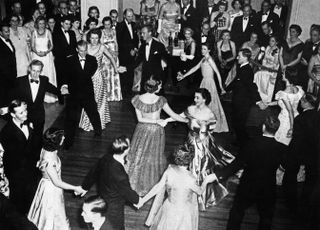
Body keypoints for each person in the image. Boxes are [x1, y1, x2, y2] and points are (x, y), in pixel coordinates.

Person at [127, 76, 188, 196]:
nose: (160, 87)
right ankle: (151, 184)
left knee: (139, 154)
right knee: (153, 156)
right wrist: (186, 121)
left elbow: (140, 119)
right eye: (159, 85)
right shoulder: (160, 100)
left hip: (141, 130)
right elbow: (174, 115)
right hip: (156, 131)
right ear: (155, 88)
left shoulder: (137, 99)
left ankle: (134, 182)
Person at [224, 115, 287, 230]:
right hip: (268, 187)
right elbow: (285, 166)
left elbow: (237, 164)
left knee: (237, 211)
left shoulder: (251, 144)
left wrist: (220, 175)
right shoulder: (281, 148)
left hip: (248, 184)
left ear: (263, 127)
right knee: (266, 217)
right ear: (276, 129)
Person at [136, 144, 218, 230]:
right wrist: (206, 180)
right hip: (183, 212)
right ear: (191, 159)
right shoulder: (190, 179)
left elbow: (157, 187)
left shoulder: (169, 170)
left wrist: (142, 201)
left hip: (169, 208)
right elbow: (200, 191)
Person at [78, 136, 141, 230]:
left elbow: (93, 172)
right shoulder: (120, 175)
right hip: (114, 207)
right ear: (126, 151)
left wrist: (84, 187)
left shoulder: (106, 157)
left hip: (103, 198)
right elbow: (127, 192)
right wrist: (137, 200)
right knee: (117, 226)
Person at [27, 128, 84, 230]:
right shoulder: (50, 161)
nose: (64, 138)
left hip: (45, 184)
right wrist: (75, 188)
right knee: (52, 213)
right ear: (56, 141)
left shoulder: (45, 149)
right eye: (62, 138)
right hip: (51, 189)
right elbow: (57, 182)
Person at [10, 60, 60, 162]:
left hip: (38, 115)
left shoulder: (44, 80)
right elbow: (12, 96)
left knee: (37, 138)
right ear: (29, 69)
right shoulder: (20, 81)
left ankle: (36, 159)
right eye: (33, 70)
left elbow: (54, 89)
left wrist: (62, 92)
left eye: (38, 71)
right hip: (24, 115)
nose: (35, 74)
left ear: (41, 71)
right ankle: (24, 159)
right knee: (24, 137)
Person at [282, 94, 320, 213]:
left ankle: (290, 203)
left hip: (298, 151)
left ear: (307, 103)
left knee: (290, 176)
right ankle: (306, 201)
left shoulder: (300, 118)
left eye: (302, 100)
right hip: (314, 151)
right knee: (311, 178)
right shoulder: (318, 116)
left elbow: (296, 140)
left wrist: (289, 155)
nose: (300, 102)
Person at [178, 44, 228, 132]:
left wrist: (221, 87)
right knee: (200, 102)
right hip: (204, 81)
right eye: (202, 49)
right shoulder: (203, 59)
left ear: (209, 50)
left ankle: (212, 125)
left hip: (209, 83)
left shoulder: (210, 59)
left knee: (211, 103)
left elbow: (217, 73)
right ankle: (200, 123)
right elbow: (195, 68)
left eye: (205, 49)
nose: (202, 50)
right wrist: (184, 76)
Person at [61, 40, 102, 149]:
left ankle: (98, 132)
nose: (83, 53)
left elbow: (87, 74)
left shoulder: (92, 60)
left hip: (87, 92)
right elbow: (65, 75)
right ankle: (68, 143)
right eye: (81, 51)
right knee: (71, 119)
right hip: (73, 94)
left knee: (93, 113)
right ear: (77, 49)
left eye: (85, 51)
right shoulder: (69, 60)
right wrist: (65, 86)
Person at [0, 100, 39, 214]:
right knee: (18, 200)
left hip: (30, 169)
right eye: (21, 113)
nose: (25, 114)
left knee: (30, 195)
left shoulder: (27, 122)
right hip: (17, 172)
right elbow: (11, 158)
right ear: (12, 114)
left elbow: (33, 143)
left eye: (25, 110)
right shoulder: (7, 132)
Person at [79, 29, 118, 131]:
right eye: (92, 38)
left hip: (98, 77)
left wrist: (116, 68)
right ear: (89, 38)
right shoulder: (86, 47)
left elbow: (111, 57)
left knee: (97, 99)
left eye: (96, 38)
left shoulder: (102, 47)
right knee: (87, 100)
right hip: (87, 77)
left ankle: (98, 122)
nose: (94, 40)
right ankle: (87, 122)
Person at [227, 48, 265, 146]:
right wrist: (226, 89)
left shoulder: (247, 70)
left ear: (245, 57)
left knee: (239, 123)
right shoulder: (242, 67)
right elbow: (236, 80)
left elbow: (251, 87)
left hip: (243, 102)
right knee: (237, 121)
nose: (237, 57)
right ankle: (241, 141)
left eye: (239, 56)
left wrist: (258, 101)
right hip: (238, 99)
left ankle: (243, 143)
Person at [125, 25, 168, 92]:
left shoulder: (159, 46)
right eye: (141, 33)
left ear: (150, 33)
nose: (142, 35)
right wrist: (126, 68)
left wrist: (163, 78)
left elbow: (168, 59)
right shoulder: (142, 46)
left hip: (156, 77)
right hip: (145, 78)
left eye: (143, 33)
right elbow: (137, 62)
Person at [269, 73, 304, 146]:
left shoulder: (284, 93)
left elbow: (290, 110)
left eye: (283, 73)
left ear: (287, 77)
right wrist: (268, 104)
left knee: (279, 142)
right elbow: (285, 102)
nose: (282, 75)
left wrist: (291, 127)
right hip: (296, 116)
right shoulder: (298, 88)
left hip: (285, 119)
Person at [31, 16, 57, 103]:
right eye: (40, 23)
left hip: (46, 56)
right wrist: (37, 52)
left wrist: (46, 52)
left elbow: (52, 45)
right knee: (38, 75)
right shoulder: (34, 33)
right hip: (37, 56)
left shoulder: (48, 32)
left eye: (43, 23)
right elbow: (32, 46)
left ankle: (49, 97)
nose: (41, 25)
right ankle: (38, 96)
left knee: (47, 75)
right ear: (37, 24)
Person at [52, 15, 77, 104]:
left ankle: (71, 99)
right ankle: (61, 100)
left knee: (71, 79)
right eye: (66, 24)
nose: (68, 26)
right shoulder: (55, 34)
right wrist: (66, 56)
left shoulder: (72, 33)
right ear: (62, 23)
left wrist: (72, 56)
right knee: (61, 79)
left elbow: (74, 47)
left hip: (71, 60)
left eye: (69, 24)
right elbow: (56, 49)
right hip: (61, 61)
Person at [116, 8, 139, 97]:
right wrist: (130, 50)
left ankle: (129, 91)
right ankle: (123, 92)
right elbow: (120, 42)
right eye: (128, 16)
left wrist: (135, 49)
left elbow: (136, 39)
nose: (130, 18)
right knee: (124, 73)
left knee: (131, 72)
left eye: (131, 16)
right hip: (124, 54)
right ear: (124, 16)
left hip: (133, 53)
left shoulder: (134, 25)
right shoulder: (120, 26)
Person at [100, 16, 122, 101]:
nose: (107, 26)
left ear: (111, 24)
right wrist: (111, 52)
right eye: (105, 24)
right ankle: (107, 96)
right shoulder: (102, 32)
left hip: (114, 54)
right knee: (106, 74)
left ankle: (115, 95)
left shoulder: (113, 31)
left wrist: (116, 53)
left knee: (114, 73)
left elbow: (116, 42)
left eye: (108, 24)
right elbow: (102, 44)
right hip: (106, 55)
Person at [254, 36, 280, 103]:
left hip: (272, 69)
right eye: (270, 40)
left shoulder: (277, 51)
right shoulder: (268, 47)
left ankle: (266, 99)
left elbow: (275, 64)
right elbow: (264, 59)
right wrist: (263, 66)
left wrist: (267, 68)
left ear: (276, 42)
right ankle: (258, 95)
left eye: (273, 41)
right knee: (257, 74)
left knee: (263, 75)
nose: (270, 42)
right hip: (265, 67)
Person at [278, 24, 304, 90]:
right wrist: (282, 65)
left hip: (293, 71)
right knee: (280, 87)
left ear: (298, 33)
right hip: (282, 67)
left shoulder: (301, 45)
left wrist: (287, 66)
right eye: (290, 31)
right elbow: (280, 54)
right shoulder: (285, 41)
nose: (291, 33)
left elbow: (298, 59)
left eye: (293, 31)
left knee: (290, 90)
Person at [0, 22, 17, 107]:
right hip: (4, 76)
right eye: (5, 32)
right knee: (4, 95)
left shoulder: (9, 40)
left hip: (11, 74)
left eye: (8, 31)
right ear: (0, 33)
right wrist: (7, 75)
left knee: (10, 95)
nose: (8, 33)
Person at [301, 25, 320, 91]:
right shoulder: (307, 42)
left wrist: (308, 64)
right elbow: (303, 56)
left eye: (315, 35)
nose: (312, 37)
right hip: (304, 74)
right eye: (311, 35)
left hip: (315, 78)